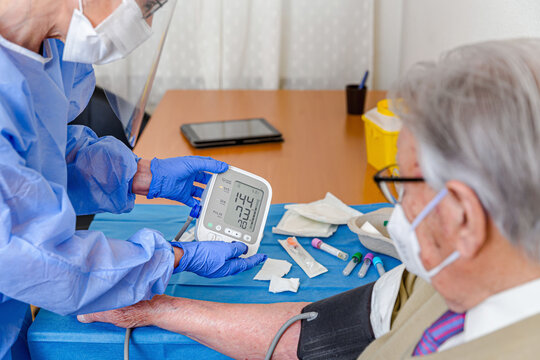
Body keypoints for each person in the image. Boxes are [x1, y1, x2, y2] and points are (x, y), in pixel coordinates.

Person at [81, 38, 540, 359]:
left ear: (462, 216)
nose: (396, 208)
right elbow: (316, 332)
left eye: (403, 183)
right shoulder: (451, 276)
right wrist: (157, 308)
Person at [0, 1, 265, 359]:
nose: (148, 19)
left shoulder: (48, 51)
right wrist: (171, 257)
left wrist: (143, 175)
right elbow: (30, 253)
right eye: (147, 4)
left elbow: (45, 153)